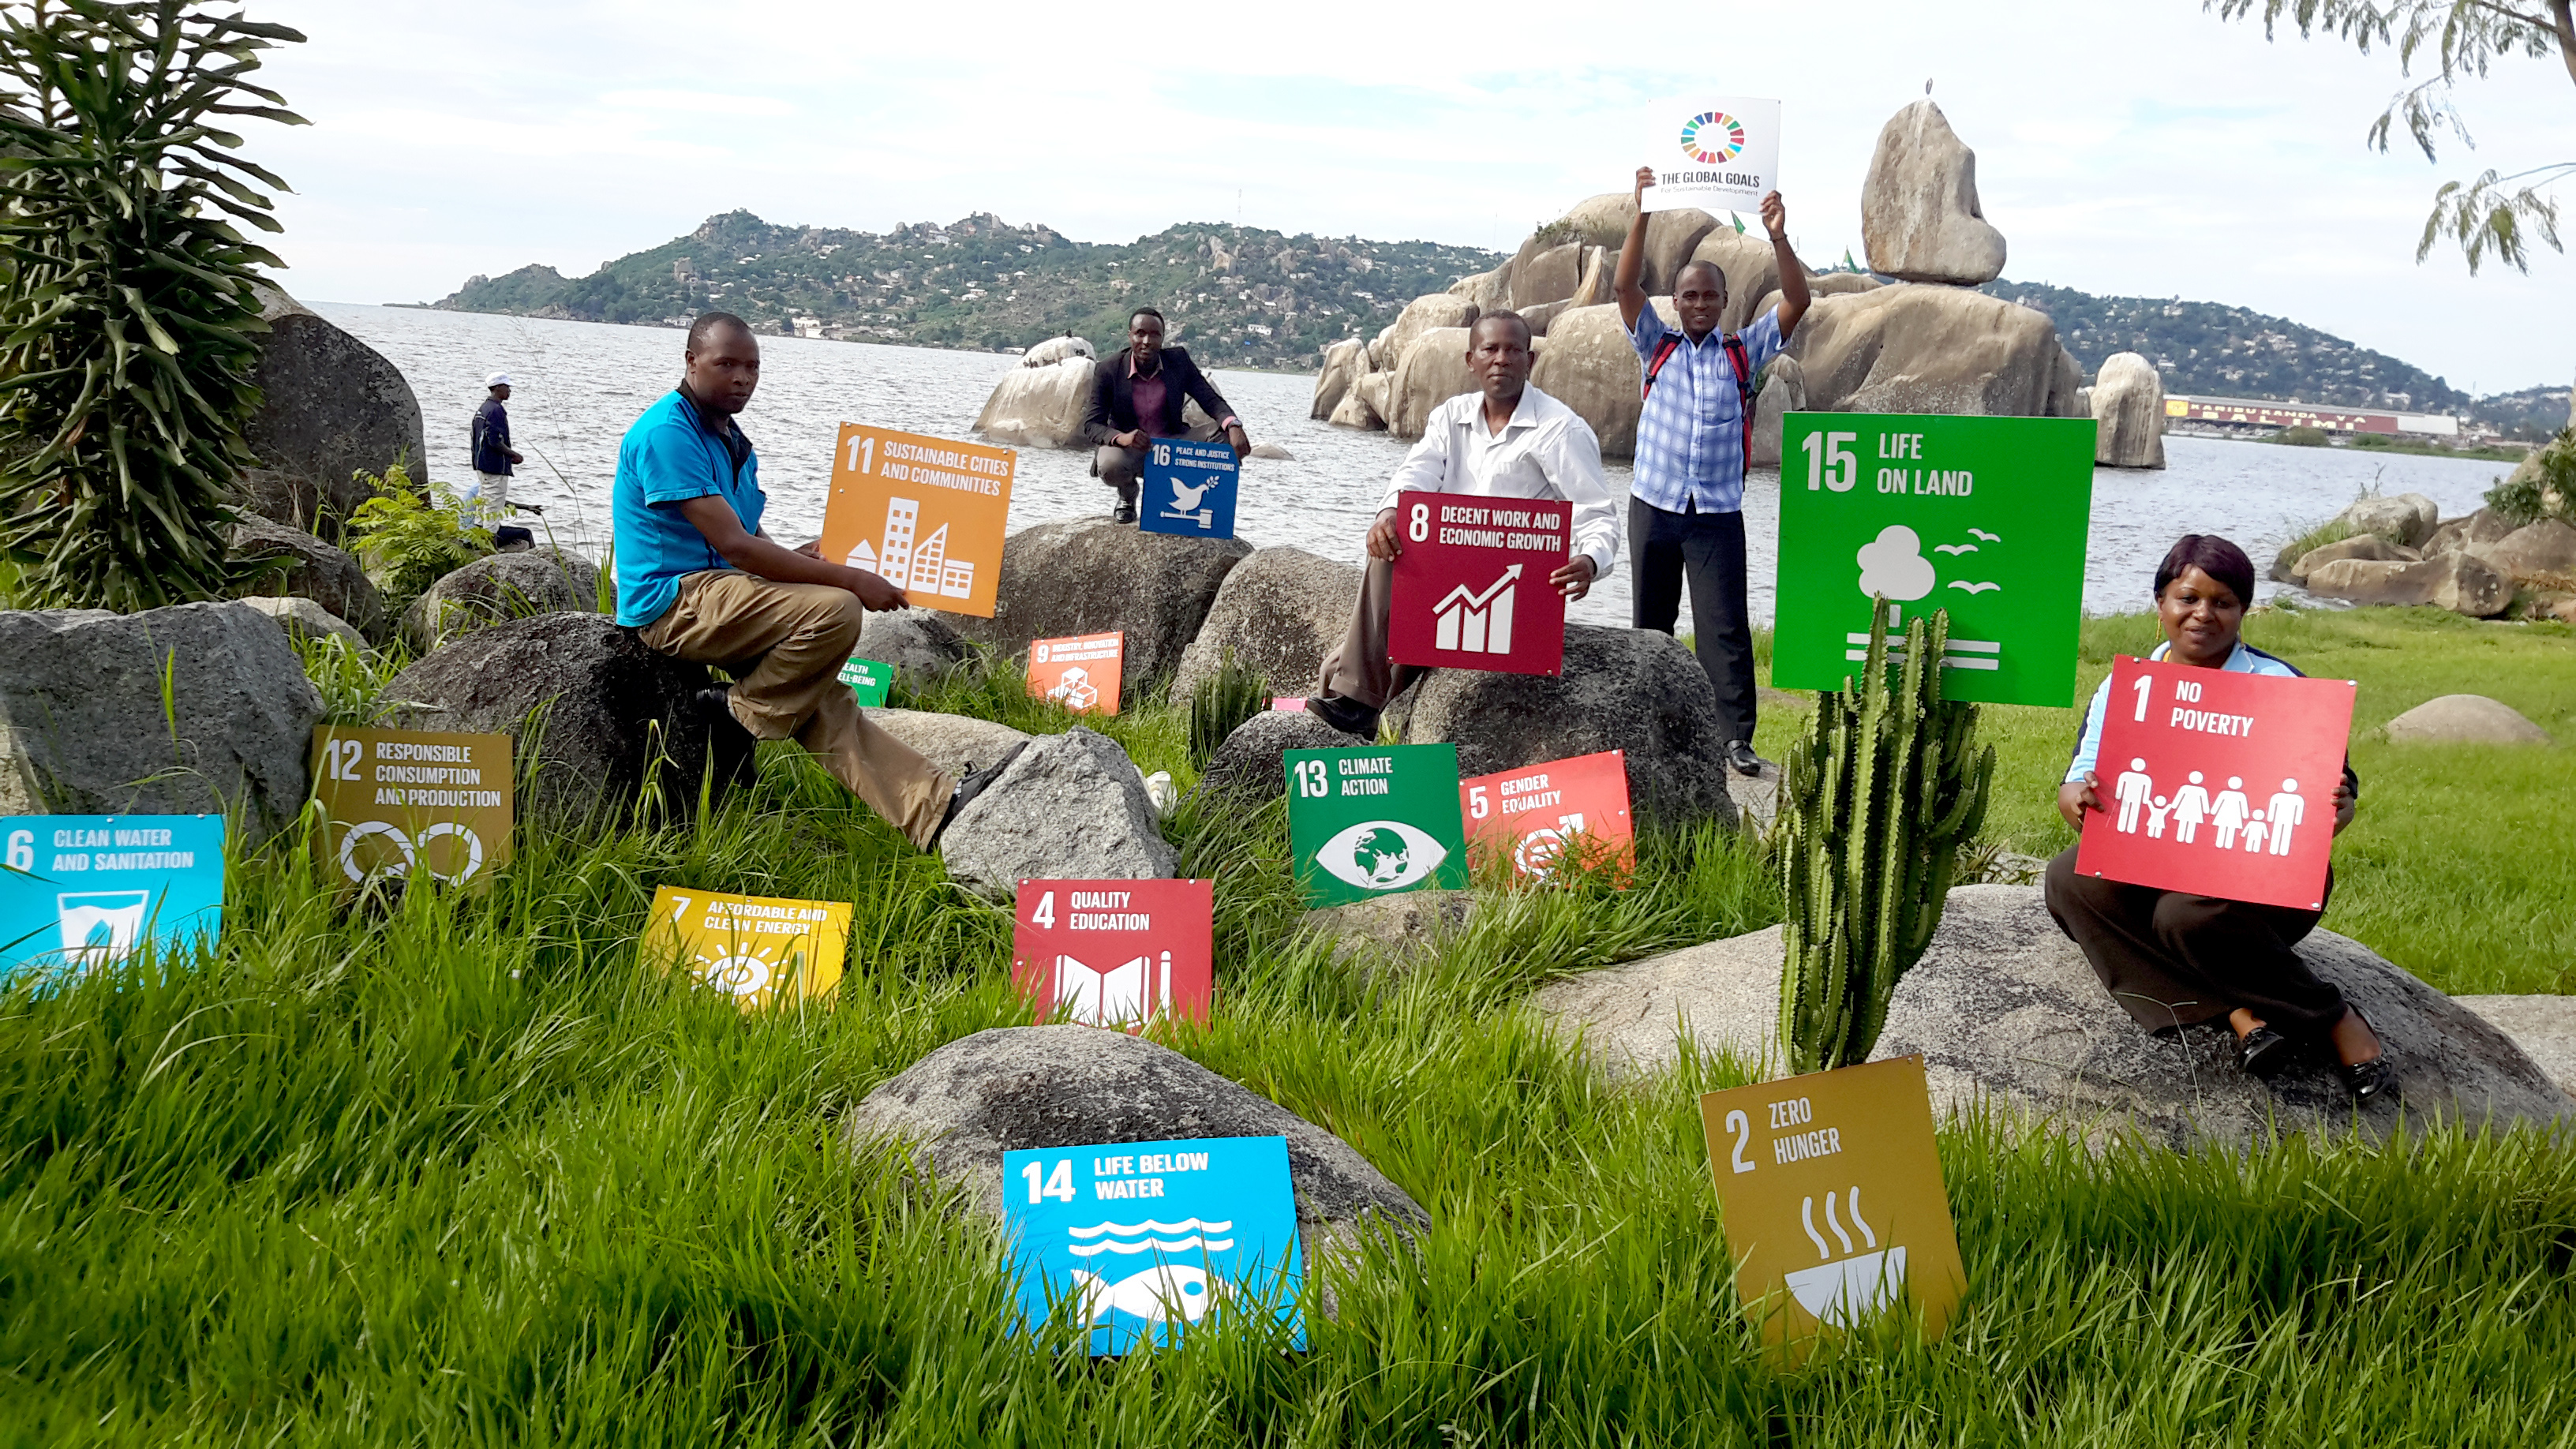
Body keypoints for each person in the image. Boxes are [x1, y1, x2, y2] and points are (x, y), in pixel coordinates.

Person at [611, 313, 1018, 848]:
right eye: (725, 364)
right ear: (691, 362)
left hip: (722, 593)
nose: (741, 378)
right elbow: (736, 548)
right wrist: (848, 578)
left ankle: (935, 811)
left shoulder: (729, 439)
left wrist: (795, 556)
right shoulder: (670, 434)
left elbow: (747, 536)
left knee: (824, 701)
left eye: (752, 366)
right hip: (674, 602)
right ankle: (735, 715)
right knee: (836, 610)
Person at [2042, 534, 2390, 1099]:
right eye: (2187, 598)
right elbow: (2079, 775)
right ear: (2160, 604)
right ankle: (2239, 1013)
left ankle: (2331, 1017)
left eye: (2223, 601)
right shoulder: (2126, 687)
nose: (2203, 613)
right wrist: (2075, 798)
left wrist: (2339, 812)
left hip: (2258, 888)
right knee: (2068, 878)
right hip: (2154, 863)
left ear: (2243, 611)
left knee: (2187, 916)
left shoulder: (2281, 688)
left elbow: (2332, 796)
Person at [1304, 311, 1619, 736]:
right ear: (1471, 360)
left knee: (1350, 673)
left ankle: (1359, 706)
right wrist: (1387, 514)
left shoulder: (1561, 429)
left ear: (1531, 361)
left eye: (1513, 350)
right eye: (1490, 349)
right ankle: (1361, 742)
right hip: (1450, 578)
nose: (1501, 359)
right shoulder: (1450, 417)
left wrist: (1588, 561)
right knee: (1381, 559)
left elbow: (1596, 513)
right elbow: (1415, 475)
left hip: (1511, 589)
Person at [1612, 168, 1811, 777]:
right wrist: (1642, 211)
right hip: (1655, 504)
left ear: (1725, 303)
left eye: (1710, 296)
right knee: (1653, 626)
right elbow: (1624, 286)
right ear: (1676, 302)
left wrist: (1778, 236)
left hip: (1716, 513)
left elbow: (1797, 301)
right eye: (1690, 296)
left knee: (1724, 631)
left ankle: (1734, 739)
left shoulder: (1742, 350)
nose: (1700, 304)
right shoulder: (1657, 345)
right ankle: (1652, 728)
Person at [1082, 307, 1251, 524]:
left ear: (1162, 338)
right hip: (1131, 447)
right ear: (1130, 336)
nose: (1146, 341)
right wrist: (1123, 438)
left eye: (1154, 335)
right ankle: (1127, 495)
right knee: (1109, 464)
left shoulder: (1178, 361)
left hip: (1173, 443)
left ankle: (1200, 507)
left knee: (1224, 439)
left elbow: (1210, 399)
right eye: (1140, 333)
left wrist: (1234, 425)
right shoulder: (1108, 370)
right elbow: (1092, 425)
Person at [469, 372, 531, 525]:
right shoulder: (496, 411)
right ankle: (490, 545)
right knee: (493, 508)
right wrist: (513, 455)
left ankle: (477, 539)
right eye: (507, 387)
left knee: (483, 504)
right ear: (497, 387)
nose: (509, 391)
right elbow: (494, 441)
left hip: (481, 465)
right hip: (494, 467)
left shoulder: (483, 409)